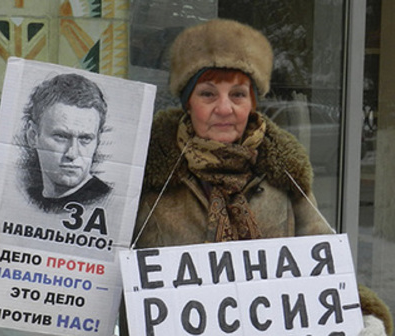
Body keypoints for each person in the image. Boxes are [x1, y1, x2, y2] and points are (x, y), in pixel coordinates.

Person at [121, 18, 392, 336]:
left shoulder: (283, 174)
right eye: (208, 94)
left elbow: (323, 264)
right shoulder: (149, 172)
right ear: (188, 103)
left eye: (237, 95)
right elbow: (101, 265)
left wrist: (361, 314)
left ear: (253, 103)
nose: (224, 108)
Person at [16, 73, 112, 213]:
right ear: (33, 136)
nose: (72, 153)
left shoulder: (110, 201)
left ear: (97, 141)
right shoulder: (23, 199)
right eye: (61, 136)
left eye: (85, 139)